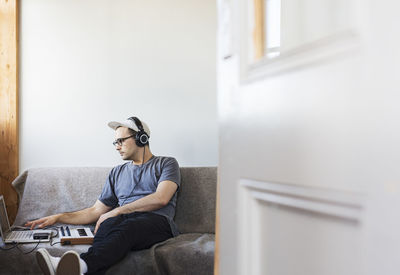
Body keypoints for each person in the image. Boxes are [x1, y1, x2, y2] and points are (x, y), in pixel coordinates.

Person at [26, 116, 180, 275]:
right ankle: (80, 267)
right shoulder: (116, 172)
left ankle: (80, 264)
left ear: (141, 139)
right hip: (123, 222)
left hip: (158, 222)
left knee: (126, 226)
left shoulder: (166, 163)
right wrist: (58, 217)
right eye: (116, 142)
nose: (117, 147)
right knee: (106, 226)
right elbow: (95, 211)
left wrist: (117, 211)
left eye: (121, 141)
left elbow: (161, 198)